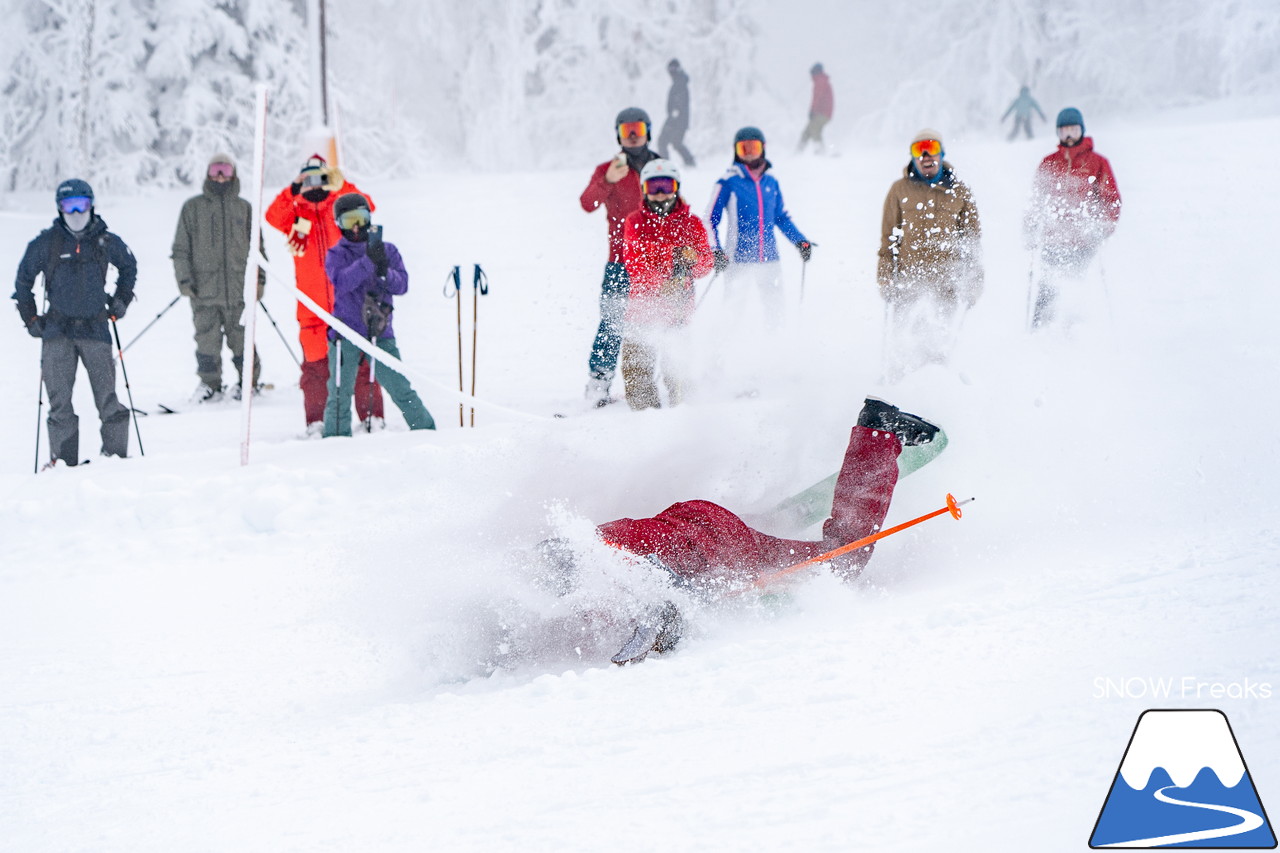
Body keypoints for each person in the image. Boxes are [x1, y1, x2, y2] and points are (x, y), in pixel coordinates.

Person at [538, 397, 941, 663]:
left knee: (840, 563)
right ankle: (771, 525)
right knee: (753, 544)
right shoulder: (583, 546)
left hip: (714, 542)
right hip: (694, 522)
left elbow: (662, 602)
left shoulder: (610, 573)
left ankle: (878, 432)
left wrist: (642, 644)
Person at [12, 179, 137, 467]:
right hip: (57, 332)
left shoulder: (105, 241)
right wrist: (30, 318)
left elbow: (129, 266)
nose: (77, 212)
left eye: (82, 204)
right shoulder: (46, 243)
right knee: (59, 405)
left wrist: (121, 301)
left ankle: (116, 460)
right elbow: (23, 280)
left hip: (96, 330)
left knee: (108, 398)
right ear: (59, 207)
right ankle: (63, 464)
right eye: (70, 205)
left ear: (92, 205)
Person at [265, 154, 384, 436]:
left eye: (321, 177)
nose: (314, 184)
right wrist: (293, 188)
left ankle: (372, 419)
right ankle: (316, 422)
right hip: (312, 308)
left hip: (350, 302)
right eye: (309, 179)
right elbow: (272, 215)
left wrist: (340, 185)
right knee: (316, 370)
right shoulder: (295, 215)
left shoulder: (341, 211)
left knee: (362, 363)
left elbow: (368, 205)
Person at [322, 193, 435, 437]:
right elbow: (342, 282)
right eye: (348, 220)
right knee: (340, 394)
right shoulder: (336, 254)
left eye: (361, 219)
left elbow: (402, 285)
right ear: (338, 224)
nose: (355, 227)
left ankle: (428, 433)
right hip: (345, 335)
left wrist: (384, 272)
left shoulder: (388, 250)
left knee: (400, 388)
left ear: (369, 219)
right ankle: (334, 444)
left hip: (380, 332)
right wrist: (367, 262)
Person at [877, 129, 982, 378]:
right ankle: (896, 387)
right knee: (904, 344)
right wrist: (885, 278)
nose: (925, 155)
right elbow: (887, 241)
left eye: (931, 148)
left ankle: (935, 392)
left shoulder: (960, 192)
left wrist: (974, 281)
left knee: (938, 345)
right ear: (912, 157)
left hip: (946, 285)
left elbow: (972, 244)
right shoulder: (898, 190)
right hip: (908, 284)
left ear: (941, 153)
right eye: (918, 150)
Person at [579, 107, 661, 407]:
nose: (634, 136)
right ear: (618, 135)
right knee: (611, 325)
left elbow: (676, 208)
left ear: (648, 131)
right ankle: (598, 386)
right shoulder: (607, 169)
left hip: (657, 265)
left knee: (658, 324)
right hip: (620, 264)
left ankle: (655, 385)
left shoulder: (662, 167)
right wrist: (609, 180)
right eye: (627, 131)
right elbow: (588, 203)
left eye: (638, 128)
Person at [618, 159, 714, 410]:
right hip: (642, 312)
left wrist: (693, 260)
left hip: (678, 313)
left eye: (666, 186)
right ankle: (644, 425)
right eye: (653, 187)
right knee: (637, 375)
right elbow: (635, 262)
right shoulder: (635, 221)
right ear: (644, 190)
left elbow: (705, 264)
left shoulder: (691, 223)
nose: (660, 194)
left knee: (680, 378)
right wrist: (667, 270)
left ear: (676, 187)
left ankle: (682, 425)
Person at [171, 153, 264, 403]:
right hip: (204, 291)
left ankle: (249, 383)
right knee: (206, 342)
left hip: (238, 290)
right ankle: (210, 384)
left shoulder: (244, 208)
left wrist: (259, 283)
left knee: (242, 339)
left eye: (225, 169)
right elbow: (180, 249)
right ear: (207, 174)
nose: (220, 176)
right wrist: (184, 281)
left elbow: (259, 251)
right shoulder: (193, 208)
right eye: (215, 170)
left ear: (233, 173)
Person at [1023, 107, 1122, 329]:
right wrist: (1030, 229)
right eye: (1064, 131)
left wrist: (1103, 226)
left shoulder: (1098, 163)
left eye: (1073, 130)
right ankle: (1038, 335)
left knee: (1073, 290)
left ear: (1082, 131)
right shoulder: (1049, 162)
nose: (1068, 136)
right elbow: (1036, 199)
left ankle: (1072, 333)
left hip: (1083, 242)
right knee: (1047, 290)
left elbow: (1111, 200)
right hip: (1052, 240)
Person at [656, 59, 696, 167]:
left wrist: (673, 118)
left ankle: (665, 166)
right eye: (669, 70)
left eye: (672, 69)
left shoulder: (680, 83)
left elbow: (679, 104)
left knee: (662, 141)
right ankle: (689, 162)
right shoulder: (680, 82)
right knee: (676, 143)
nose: (670, 72)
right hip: (679, 120)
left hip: (676, 120)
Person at [798, 63, 834, 154]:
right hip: (821, 112)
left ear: (816, 71)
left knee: (814, 130)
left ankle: (820, 152)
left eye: (812, 72)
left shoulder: (820, 81)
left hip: (822, 112)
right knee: (807, 132)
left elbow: (817, 97)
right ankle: (798, 152)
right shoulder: (821, 81)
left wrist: (812, 110)